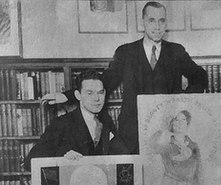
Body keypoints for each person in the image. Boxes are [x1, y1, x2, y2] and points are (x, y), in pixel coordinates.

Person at [42, 1, 208, 154]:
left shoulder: (176, 51)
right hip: (132, 132)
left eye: (161, 21)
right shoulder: (126, 52)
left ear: (166, 23)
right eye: (151, 20)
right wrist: (65, 96)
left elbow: (200, 76)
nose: (157, 26)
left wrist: (183, 98)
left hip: (167, 129)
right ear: (143, 21)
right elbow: (104, 81)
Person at [25, 69, 128, 170]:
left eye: (100, 92)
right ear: (78, 95)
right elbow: (30, 161)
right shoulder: (62, 123)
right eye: (89, 93)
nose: (97, 98)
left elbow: (124, 155)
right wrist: (62, 156)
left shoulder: (106, 120)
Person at [149, 110, 202, 185]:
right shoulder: (165, 143)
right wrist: (164, 130)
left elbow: (199, 171)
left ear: (187, 123)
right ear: (172, 123)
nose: (179, 123)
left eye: (183, 120)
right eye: (176, 120)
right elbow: (150, 147)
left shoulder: (193, 145)